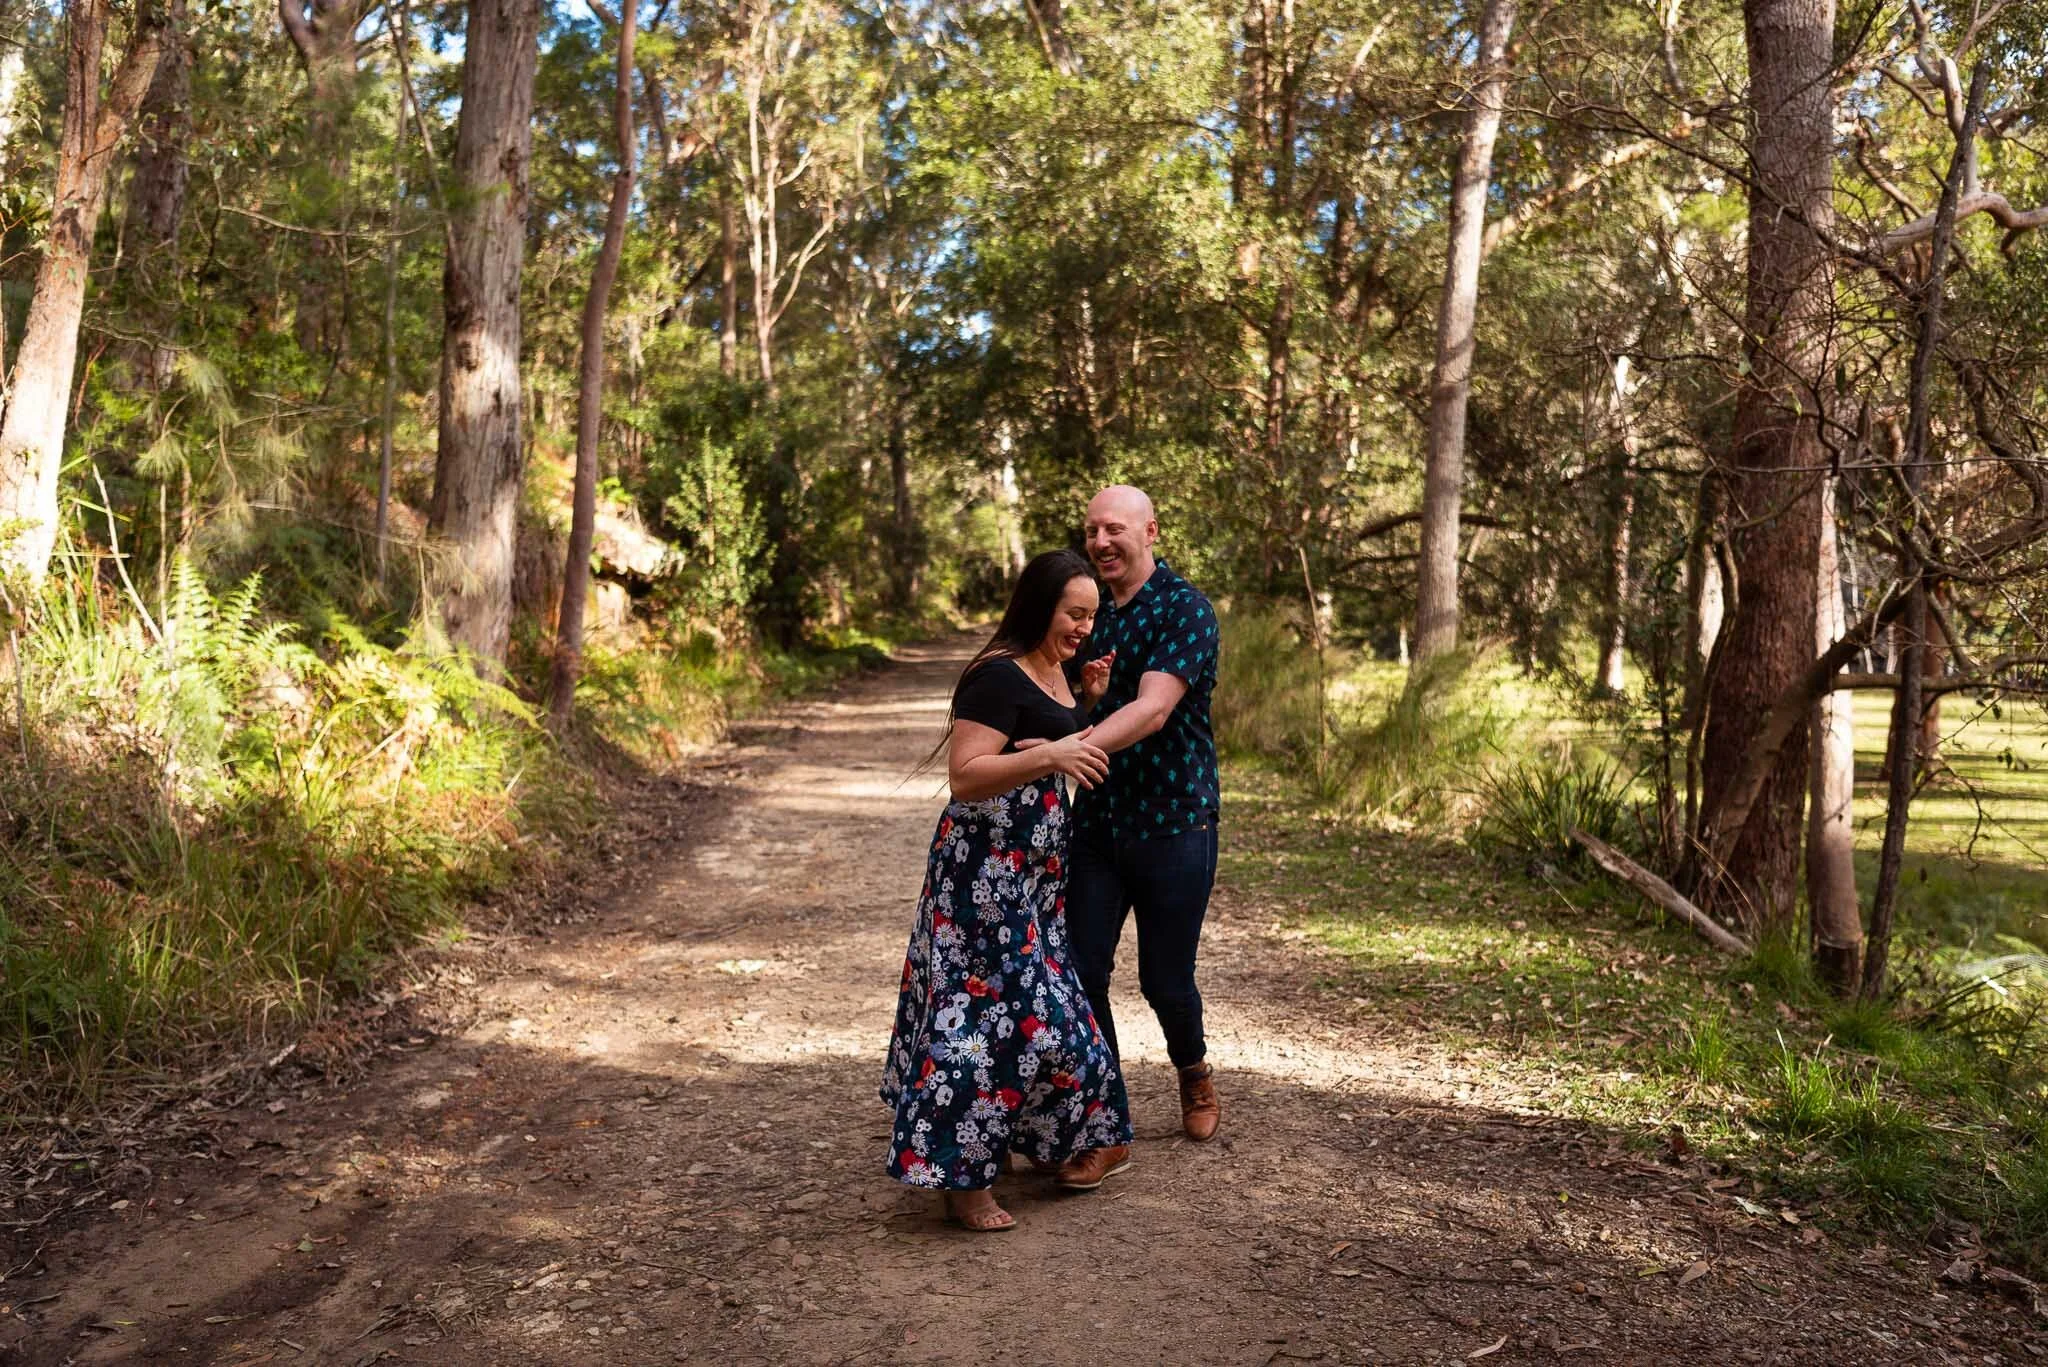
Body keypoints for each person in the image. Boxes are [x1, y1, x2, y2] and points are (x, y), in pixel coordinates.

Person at [879, 549, 1134, 1232]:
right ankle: (964, 1183)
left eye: (1091, 614)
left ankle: (1004, 1145)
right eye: (1073, 612)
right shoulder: (993, 675)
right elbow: (966, 776)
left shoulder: (1052, 669)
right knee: (984, 1022)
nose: (1084, 625)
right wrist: (1053, 752)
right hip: (981, 881)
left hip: (1032, 881)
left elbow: (1048, 741)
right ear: (1038, 606)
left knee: (1045, 1016)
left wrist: (1085, 705)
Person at [1055, 485, 1222, 1190]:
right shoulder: (1086, 615)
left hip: (1174, 822)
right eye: (1092, 530)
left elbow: (1154, 709)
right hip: (1096, 824)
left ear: (1150, 530)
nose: (1100, 541)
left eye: (1114, 528)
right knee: (1080, 972)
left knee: (1165, 978)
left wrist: (1071, 746)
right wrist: (1075, 706)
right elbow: (1049, 695)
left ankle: (1193, 1070)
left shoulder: (1185, 608)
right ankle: (1105, 1126)